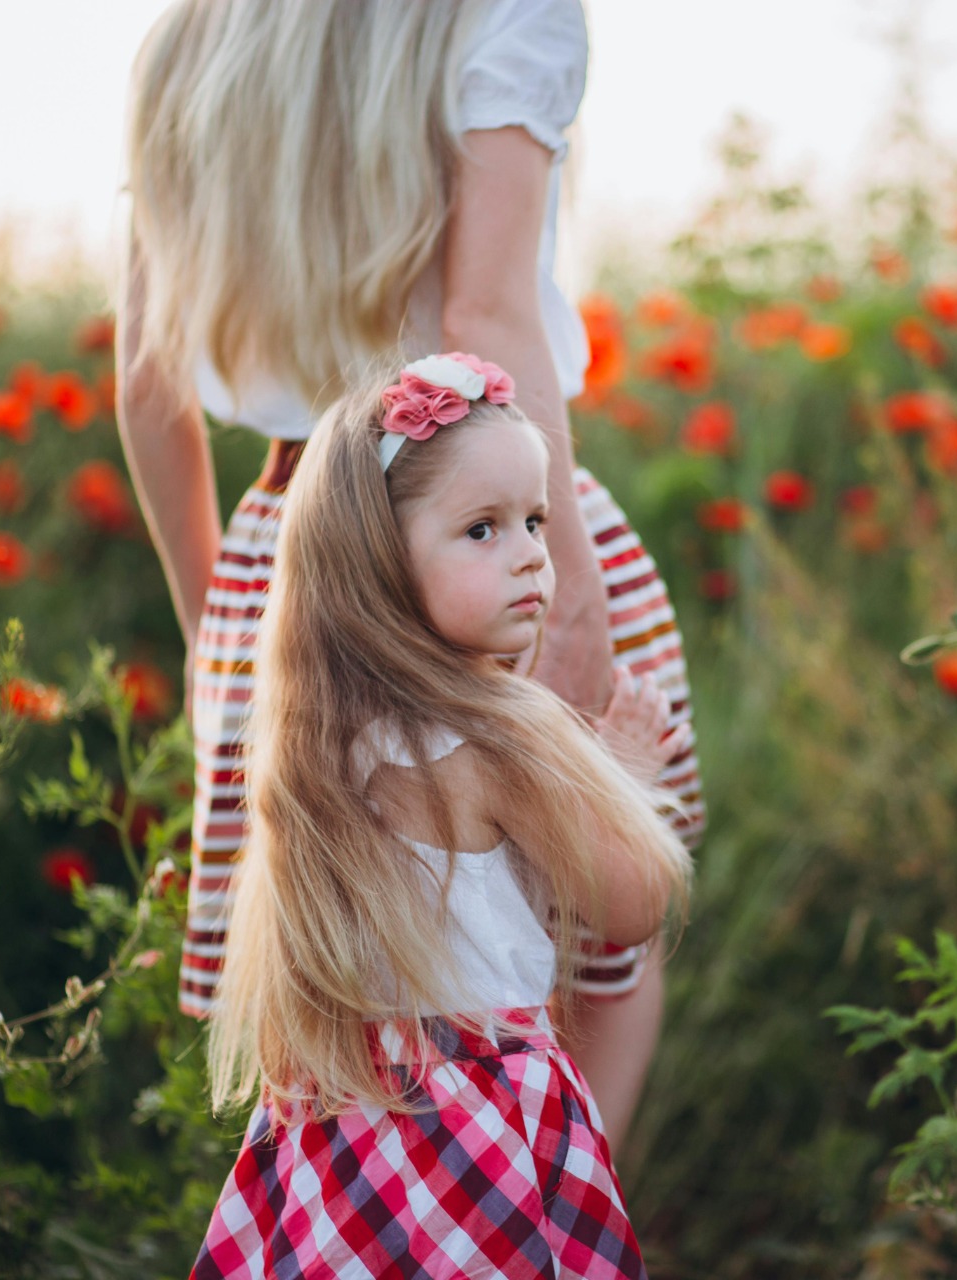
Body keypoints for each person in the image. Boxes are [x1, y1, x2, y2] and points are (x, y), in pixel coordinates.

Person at [115, 0, 703, 1151]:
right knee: (600, 940)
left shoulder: (192, 31)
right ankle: (548, 1227)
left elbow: (149, 382)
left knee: (333, 995)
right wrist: (567, 594)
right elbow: (483, 312)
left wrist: (217, 633)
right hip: (494, 526)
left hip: (282, 560)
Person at [190, 357, 689, 1278]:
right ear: (379, 562)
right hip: (480, 1133)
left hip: (339, 1134)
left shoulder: (314, 748)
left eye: (535, 520)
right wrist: (627, 775)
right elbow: (632, 905)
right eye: (482, 528)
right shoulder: (506, 734)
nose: (533, 552)